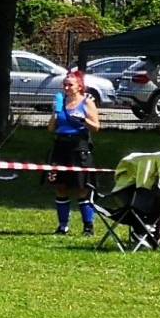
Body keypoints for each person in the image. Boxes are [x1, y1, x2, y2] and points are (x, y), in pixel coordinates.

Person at [45, 70, 100, 236]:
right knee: (60, 187)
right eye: (65, 85)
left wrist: (82, 119)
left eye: (70, 85)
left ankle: (88, 227)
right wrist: (55, 113)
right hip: (61, 146)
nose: (67, 87)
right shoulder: (60, 101)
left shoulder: (87, 102)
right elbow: (50, 129)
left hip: (79, 147)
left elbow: (96, 127)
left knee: (82, 188)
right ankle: (63, 226)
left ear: (80, 86)